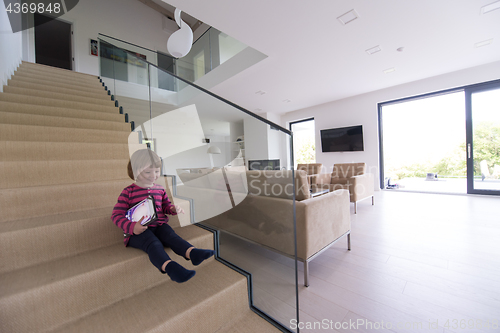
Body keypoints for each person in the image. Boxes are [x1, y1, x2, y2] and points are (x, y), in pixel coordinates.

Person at [111, 149, 214, 283]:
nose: (153, 175)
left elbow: (165, 206)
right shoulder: (128, 192)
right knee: (153, 243)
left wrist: (172, 209)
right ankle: (170, 268)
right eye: (148, 172)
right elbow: (116, 214)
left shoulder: (159, 189)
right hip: (138, 231)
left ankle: (192, 253)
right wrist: (132, 227)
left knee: (171, 236)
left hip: (159, 225)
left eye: (157, 171)